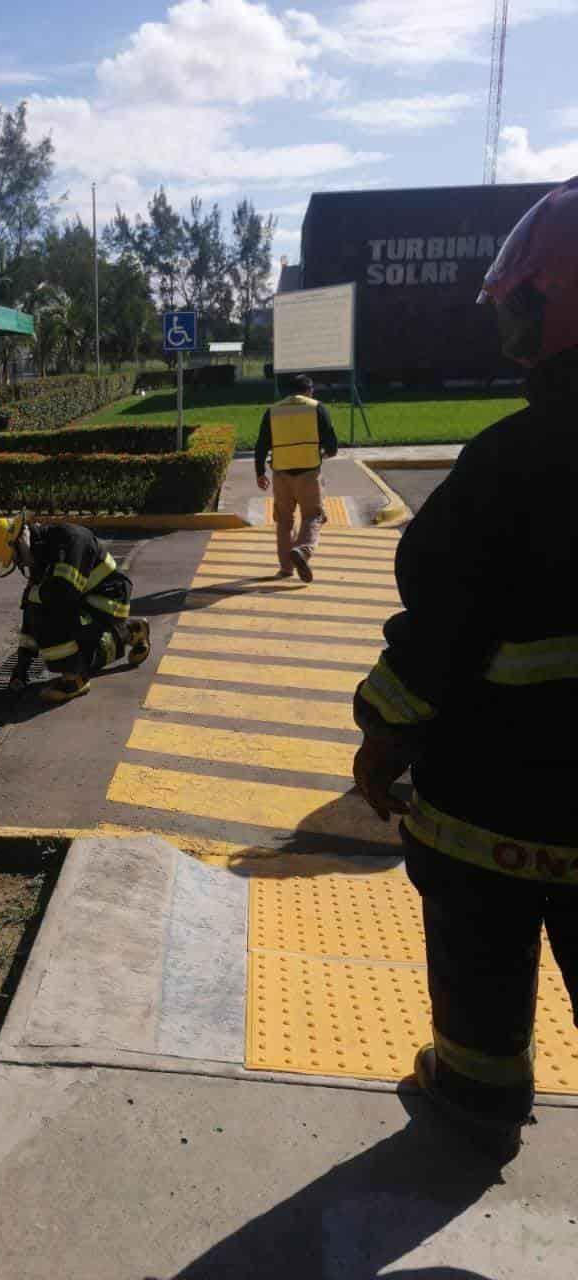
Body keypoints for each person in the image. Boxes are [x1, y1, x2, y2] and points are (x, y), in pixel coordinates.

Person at [352, 176, 578, 1162]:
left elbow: (437, 628)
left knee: (482, 973)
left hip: (498, 808)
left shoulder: (510, 464)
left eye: (521, 302)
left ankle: (477, 1105)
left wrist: (382, 735)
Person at [0, 513, 151, 704]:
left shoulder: (69, 541)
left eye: (16, 558)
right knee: (40, 607)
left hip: (109, 602)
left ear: (20, 539)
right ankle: (132, 630)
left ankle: (75, 680)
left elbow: (61, 598)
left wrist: (34, 598)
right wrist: (22, 666)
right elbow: (31, 608)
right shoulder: (38, 550)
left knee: (52, 620)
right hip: (88, 601)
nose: (20, 564)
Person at [254, 373, 338, 583]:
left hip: (281, 474)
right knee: (313, 516)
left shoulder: (272, 411)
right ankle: (303, 550)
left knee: (284, 520)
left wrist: (259, 473)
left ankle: (285, 568)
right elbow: (332, 443)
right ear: (309, 390)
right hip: (309, 473)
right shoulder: (317, 407)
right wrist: (325, 454)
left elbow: (261, 445)